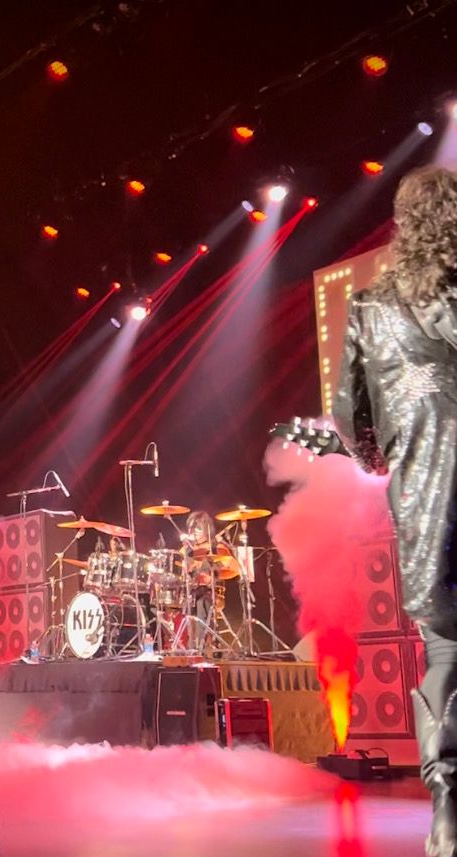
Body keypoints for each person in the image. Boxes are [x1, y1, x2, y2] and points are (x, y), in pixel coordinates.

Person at [332, 166, 457, 857]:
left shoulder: (368, 305)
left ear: (402, 226)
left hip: (428, 506)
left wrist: (383, 455)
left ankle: (447, 812)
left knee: (445, 651)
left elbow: (351, 419)